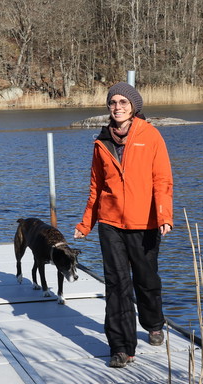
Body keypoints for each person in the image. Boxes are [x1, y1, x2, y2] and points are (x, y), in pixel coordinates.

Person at [74, 81, 174, 368]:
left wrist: (164, 216)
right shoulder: (101, 141)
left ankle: (153, 323)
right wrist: (86, 223)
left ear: (133, 107)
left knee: (146, 278)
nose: (117, 107)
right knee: (117, 284)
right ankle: (121, 347)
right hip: (111, 222)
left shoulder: (150, 136)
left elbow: (162, 180)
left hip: (145, 222)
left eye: (123, 102)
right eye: (113, 102)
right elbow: (96, 187)